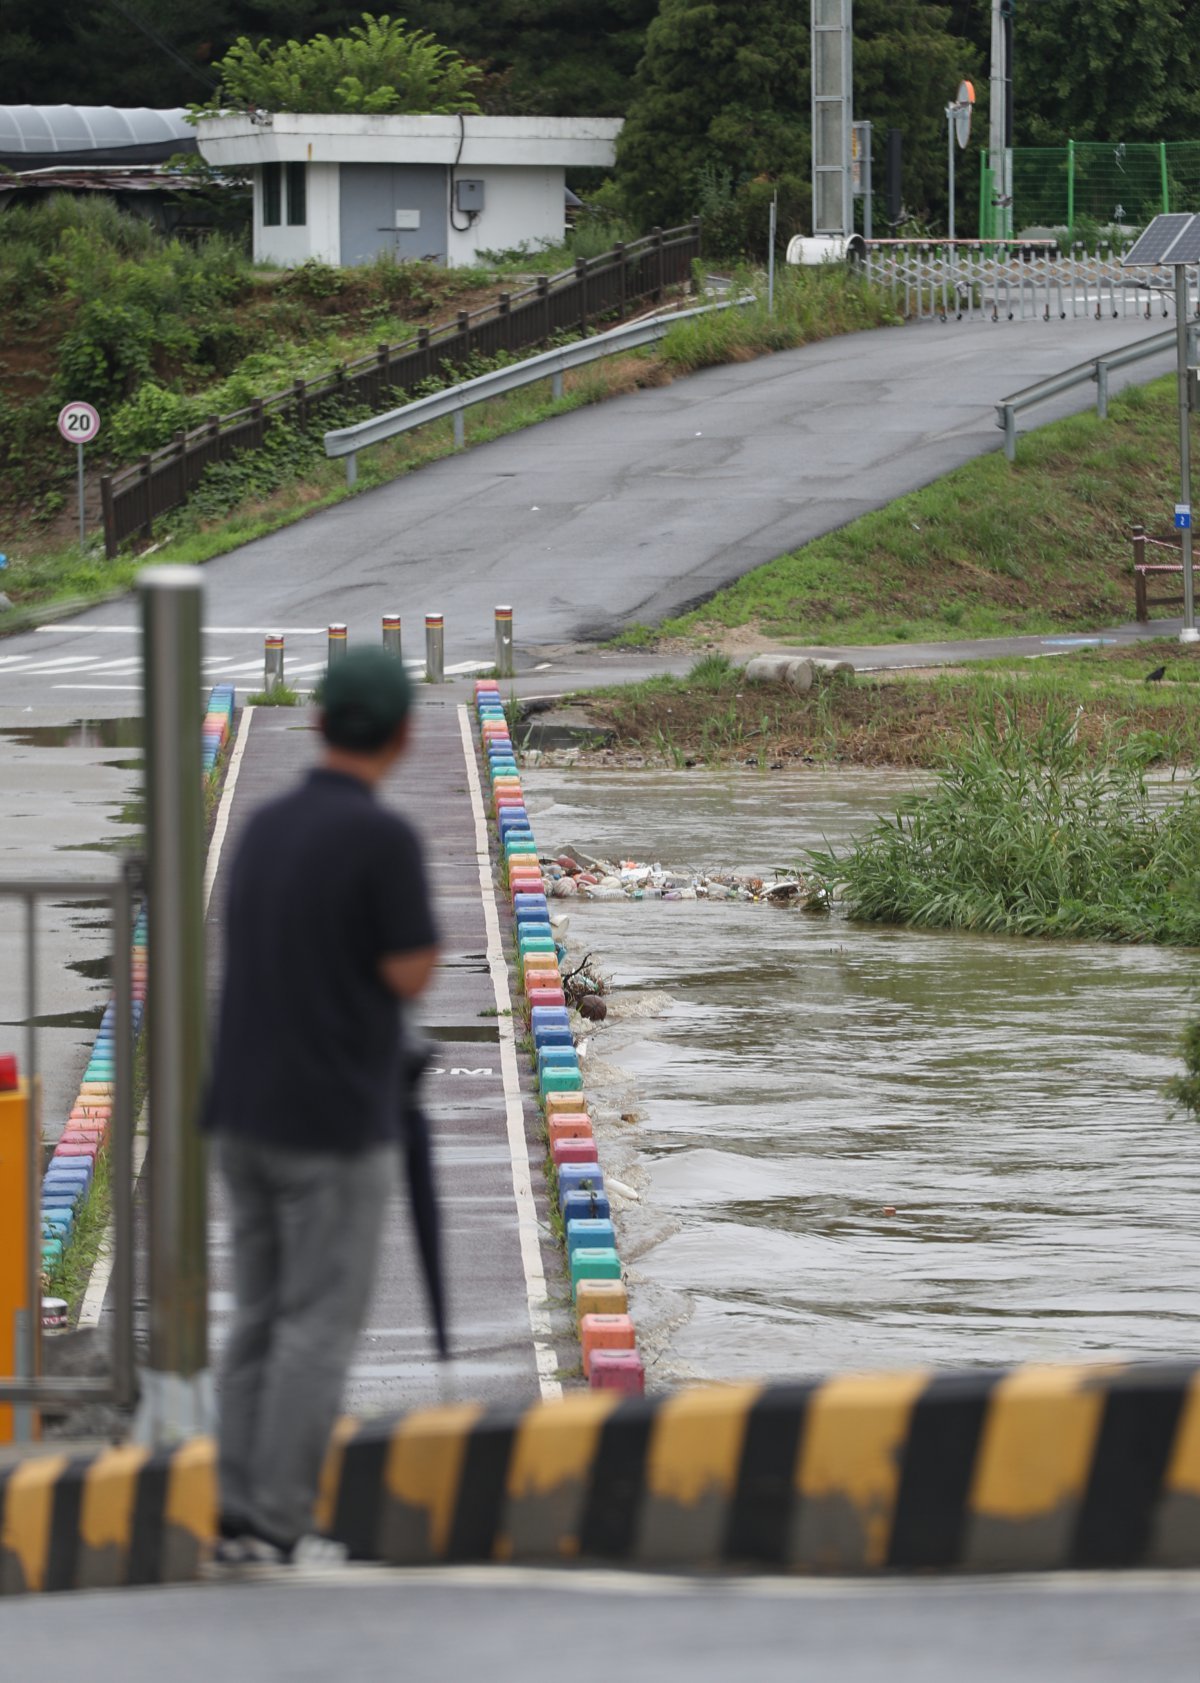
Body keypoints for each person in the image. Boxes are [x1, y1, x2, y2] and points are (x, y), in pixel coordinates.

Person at [204, 648, 438, 1565]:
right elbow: (412, 967)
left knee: (258, 1310)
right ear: (403, 736)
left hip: (241, 1113)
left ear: (317, 722)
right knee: (316, 1323)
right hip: (330, 1121)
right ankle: (276, 1513)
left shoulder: (263, 825)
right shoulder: (381, 840)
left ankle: (230, 1498)